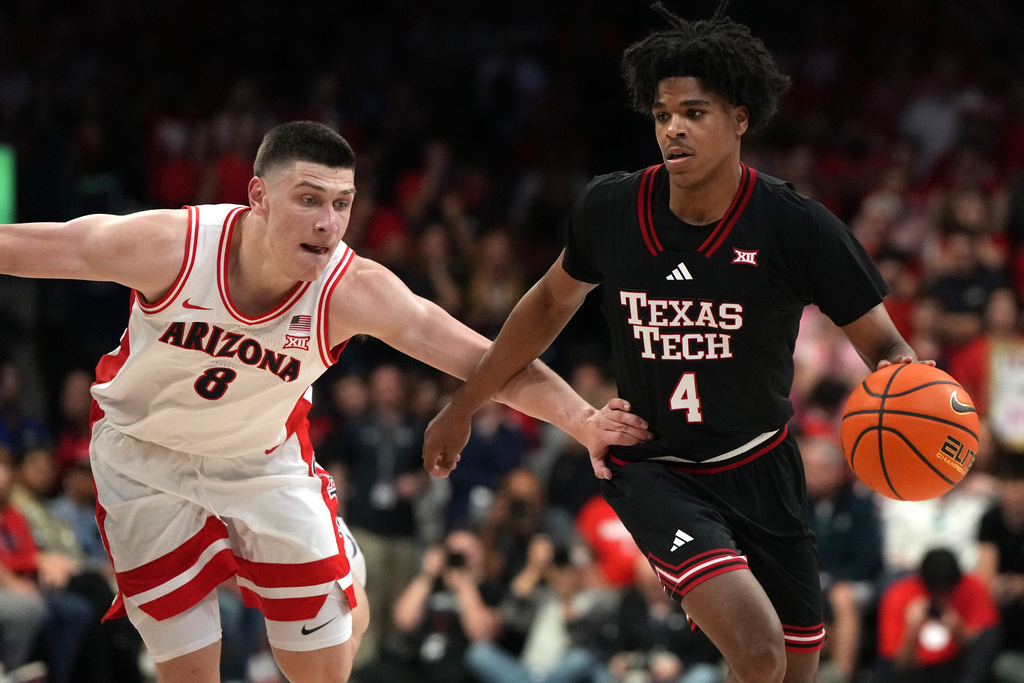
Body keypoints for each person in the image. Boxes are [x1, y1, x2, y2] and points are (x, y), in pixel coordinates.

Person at [0, 120, 650, 683]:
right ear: (257, 196)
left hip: (259, 462)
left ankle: (337, 577)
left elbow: (488, 360)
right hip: (142, 458)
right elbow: (39, 245)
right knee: (189, 668)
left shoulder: (353, 288)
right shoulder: (172, 245)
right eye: (309, 200)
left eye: (341, 204)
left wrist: (584, 420)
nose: (327, 222)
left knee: (321, 663)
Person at [422, 4, 927, 682]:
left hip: (763, 464)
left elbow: (888, 349)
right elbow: (544, 306)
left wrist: (913, 407)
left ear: (740, 119)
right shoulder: (611, 209)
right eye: (662, 115)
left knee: (797, 669)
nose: (673, 129)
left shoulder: (796, 226)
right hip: (656, 465)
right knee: (758, 651)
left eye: (694, 112)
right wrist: (465, 403)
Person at [875, 548, 1000, 683]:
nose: (942, 596)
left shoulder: (970, 587)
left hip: (955, 666)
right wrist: (912, 629)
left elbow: (982, 646)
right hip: (915, 671)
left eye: (948, 591)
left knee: (990, 636)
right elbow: (899, 665)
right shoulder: (899, 595)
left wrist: (957, 628)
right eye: (936, 591)